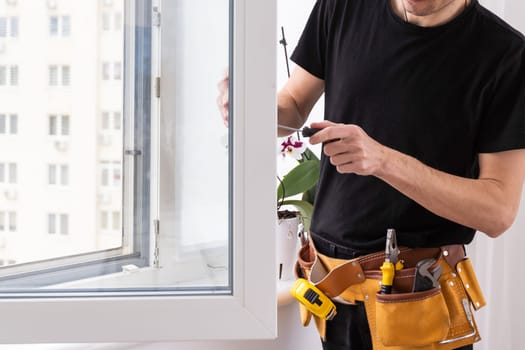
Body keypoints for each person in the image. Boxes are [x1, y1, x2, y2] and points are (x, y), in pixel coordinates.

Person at [218, 0, 525, 349]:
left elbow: (498, 211)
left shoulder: (505, 55)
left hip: (418, 303)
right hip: (334, 300)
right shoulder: (341, 6)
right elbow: (294, 105)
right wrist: (251, 108)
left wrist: (382, 160)